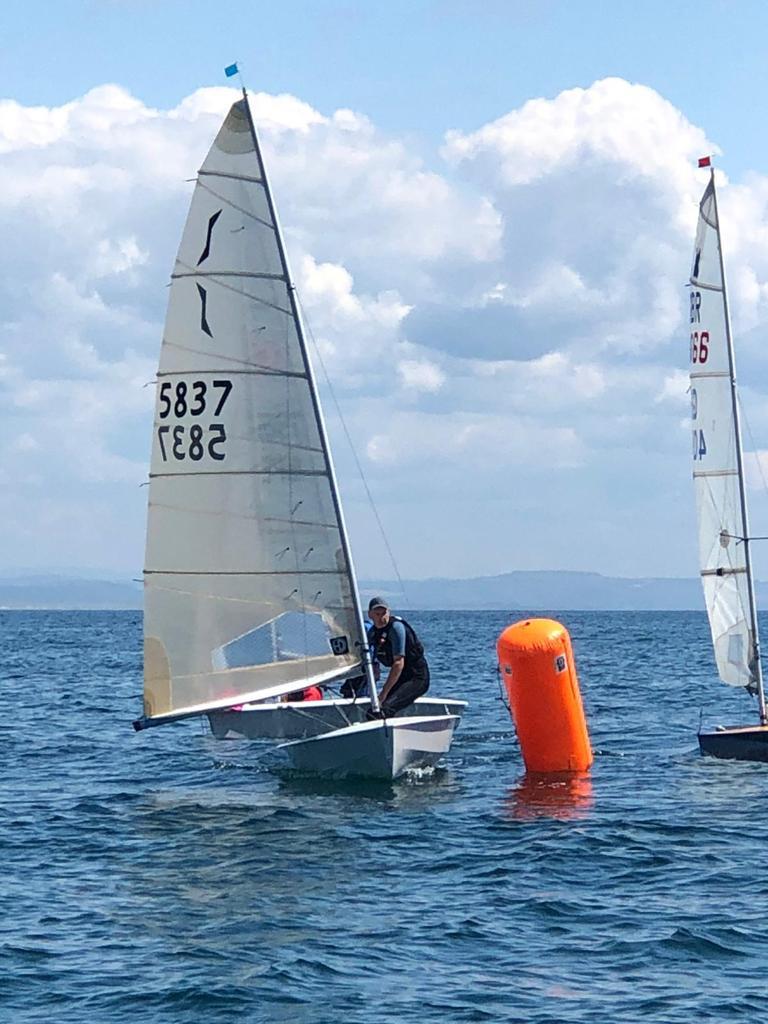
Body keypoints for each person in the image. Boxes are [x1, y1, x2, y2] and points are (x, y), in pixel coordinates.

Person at [365, 597, 429, 719]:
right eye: (377, 614)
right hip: (401, 679)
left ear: (389, 612)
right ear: (370, 615)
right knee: (372, 712)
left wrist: (383, 693)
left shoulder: (396, 628)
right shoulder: (372, 633)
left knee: (384, 709)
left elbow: (398, 663)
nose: (381, 617)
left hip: (416, 678)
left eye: (384, 613)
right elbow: (369, 660)